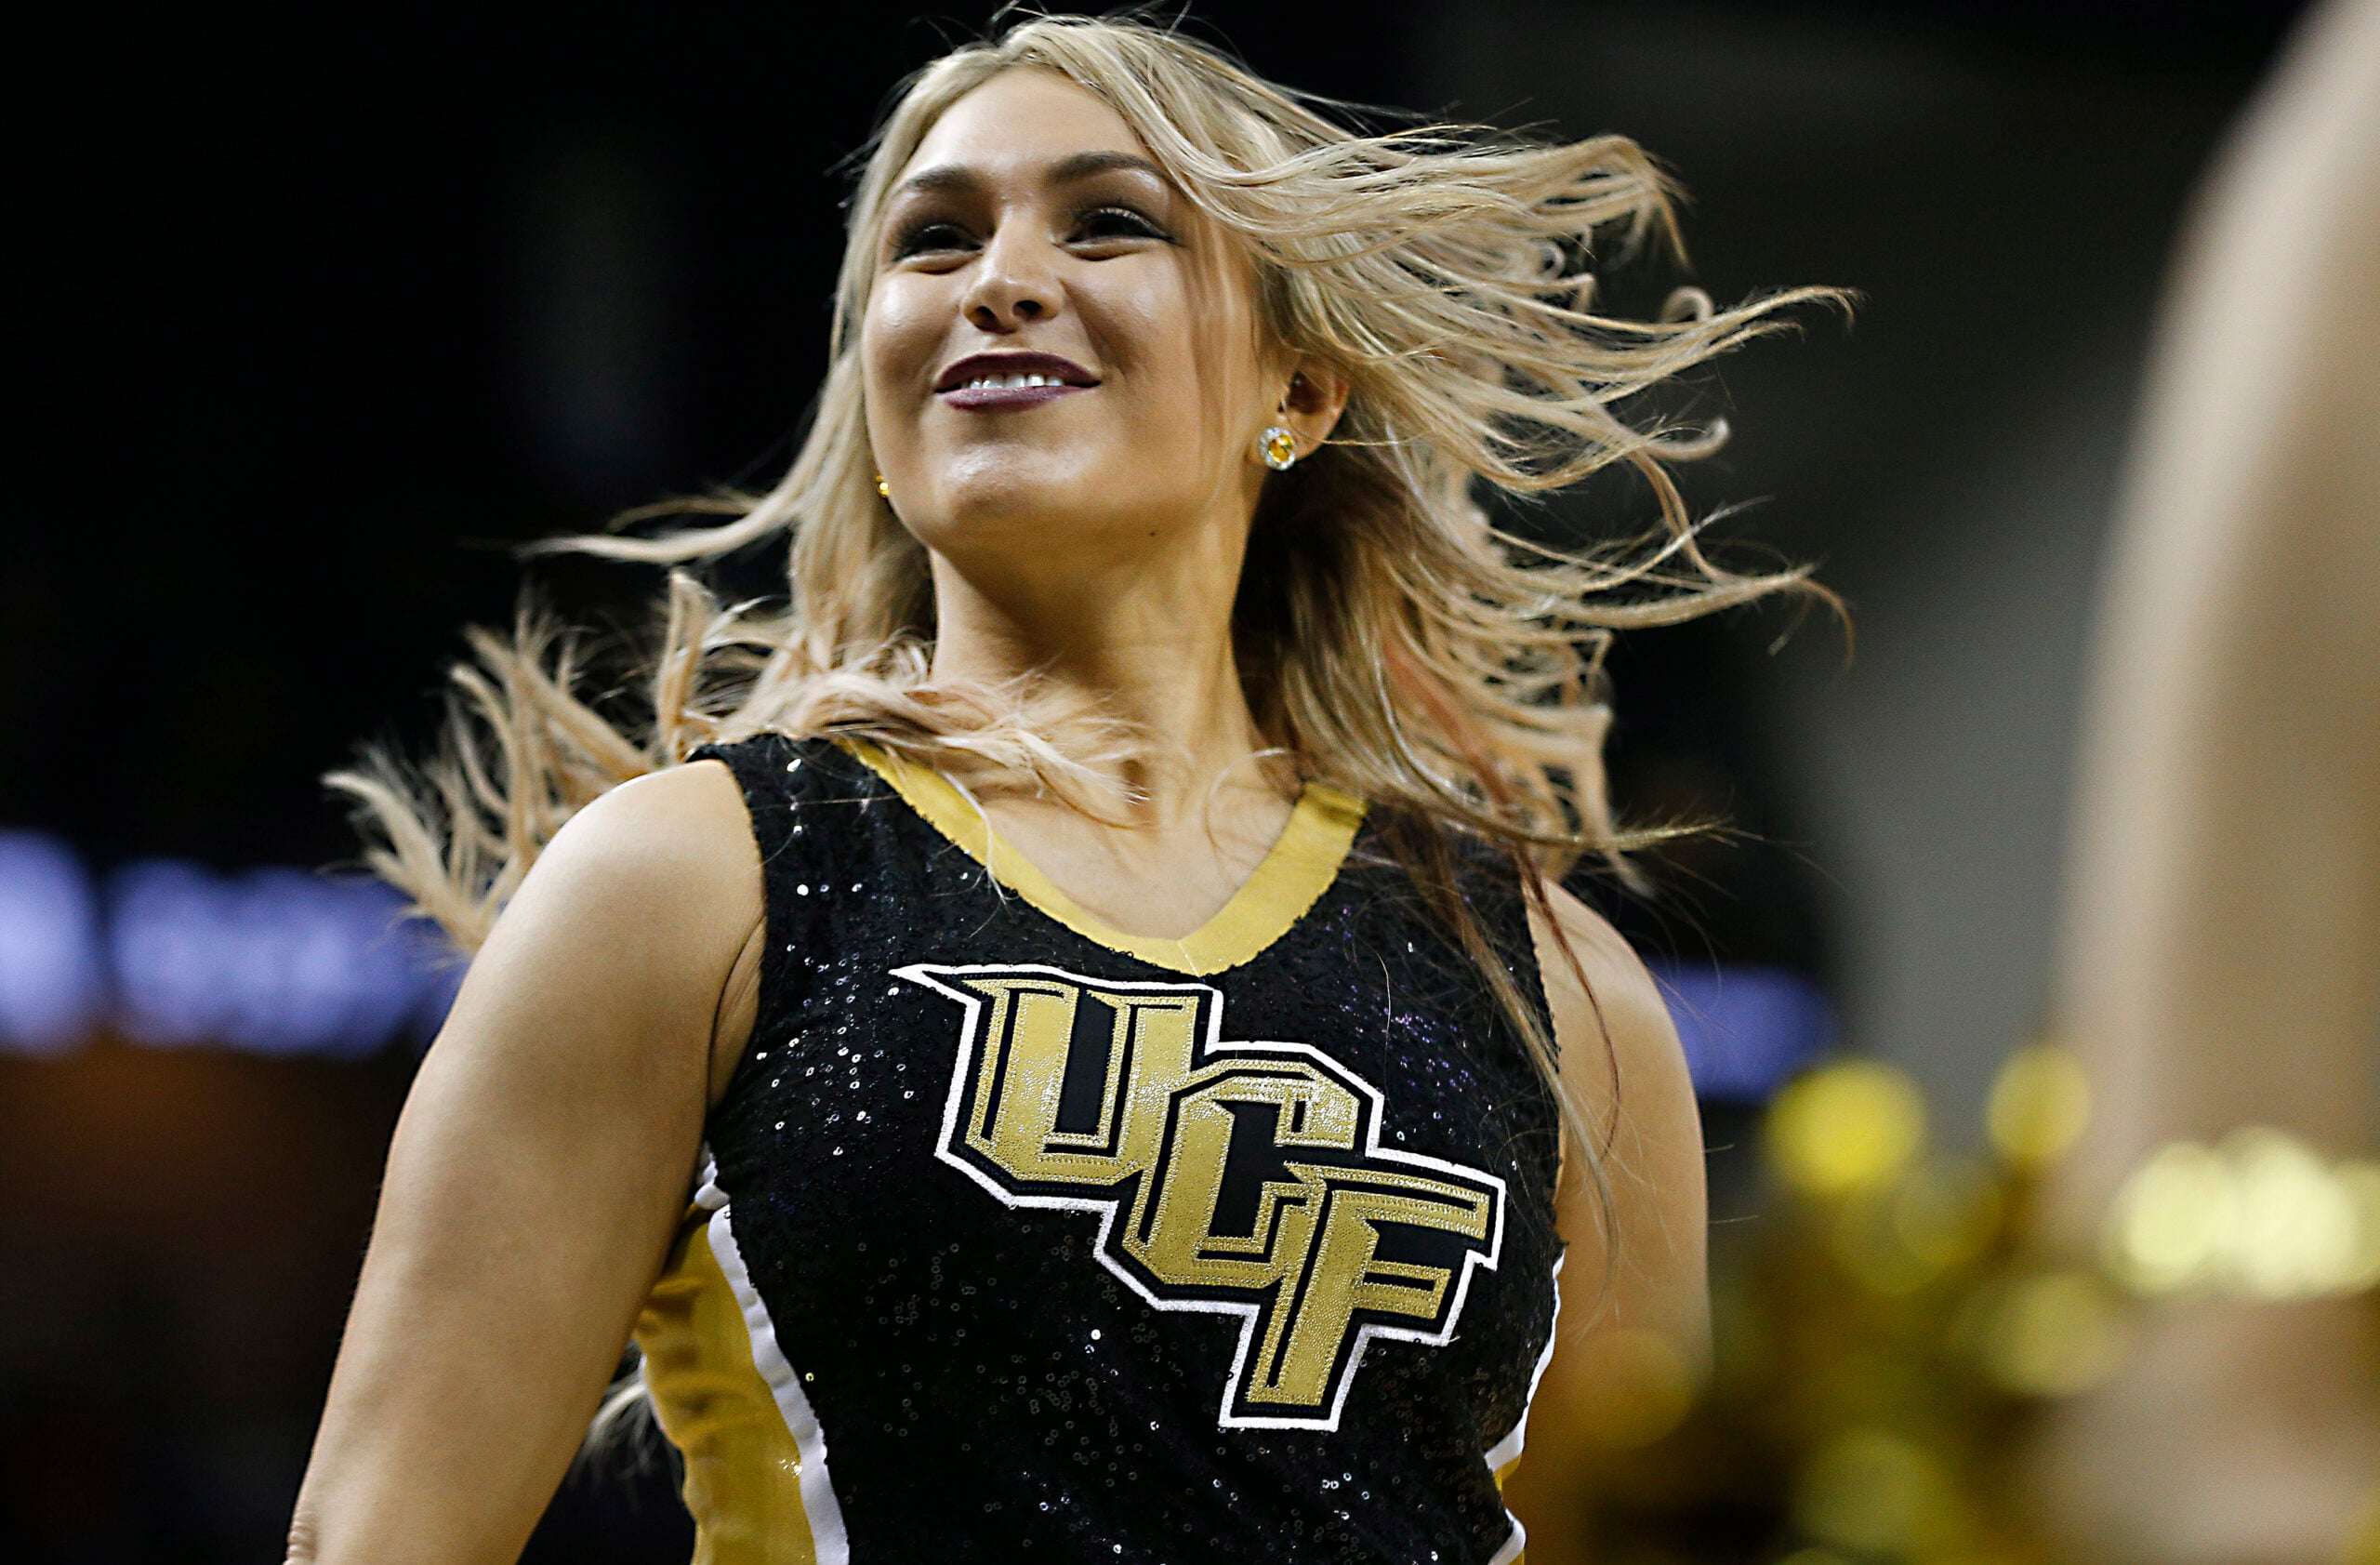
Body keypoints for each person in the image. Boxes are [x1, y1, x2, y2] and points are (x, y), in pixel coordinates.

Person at [285, 16, 1826, 1563]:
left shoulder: (1560, 992)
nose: (999, 280)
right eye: (934, 240)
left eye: (1108, 223)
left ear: (1300, 388)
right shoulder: (695, 882)